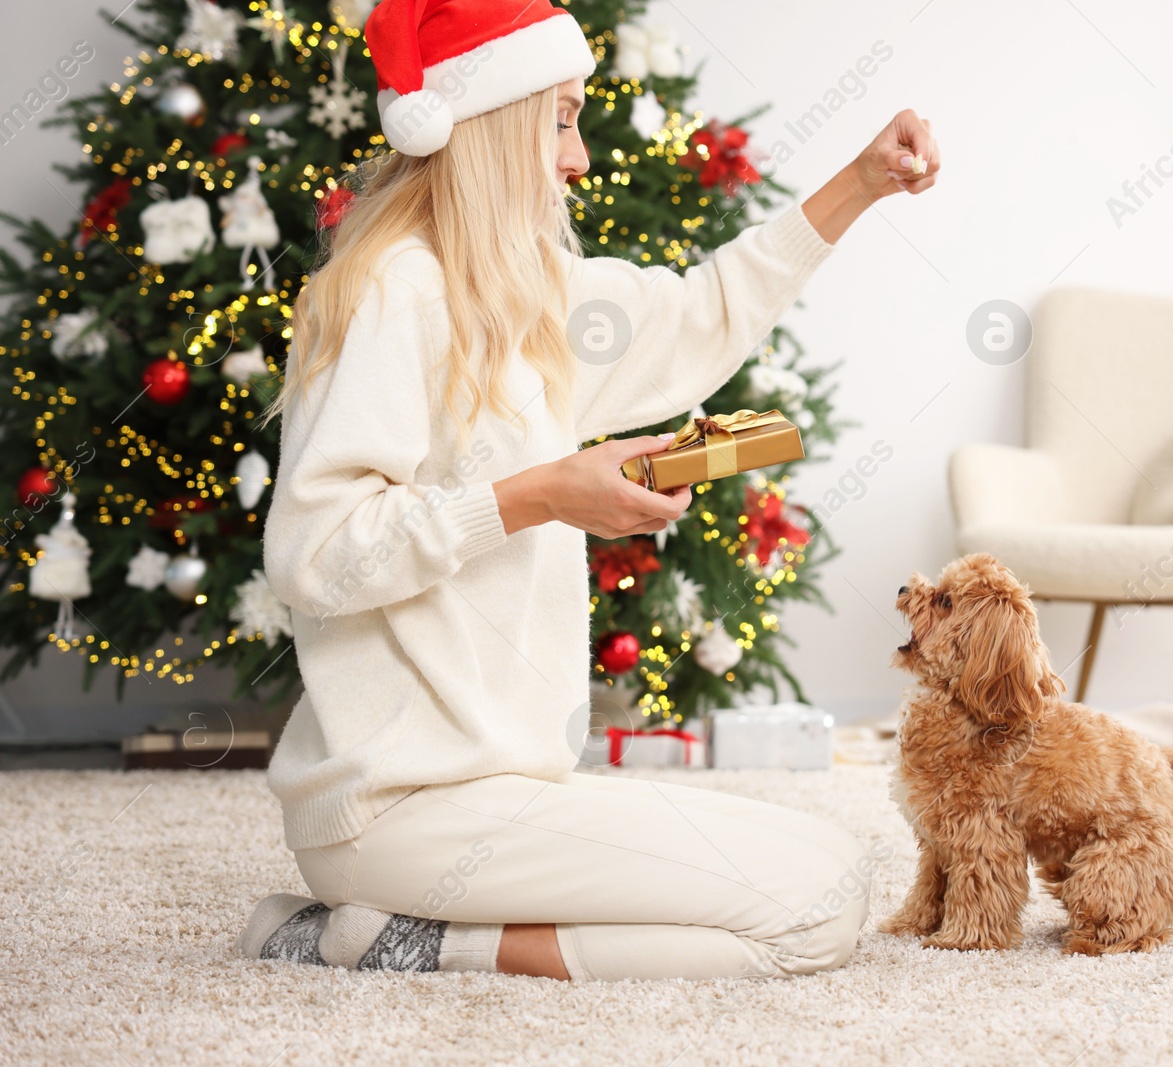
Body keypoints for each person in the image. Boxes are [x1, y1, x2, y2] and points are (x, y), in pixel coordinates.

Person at [233, 0, 939, 982]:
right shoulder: (396, 289)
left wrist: (859, 184)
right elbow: (314, 554)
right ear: (486, 122)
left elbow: (701, 315)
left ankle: (393, 931)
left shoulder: (523, 292)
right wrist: (542, 493)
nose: (579, 157)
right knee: (814, 911)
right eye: (561, 118)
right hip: (398, 806)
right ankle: (410, 940)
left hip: (507, 784)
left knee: (830, 868)